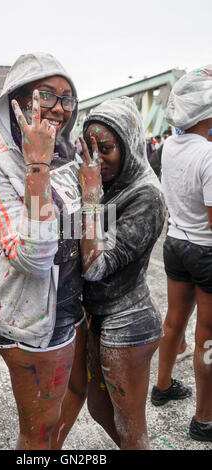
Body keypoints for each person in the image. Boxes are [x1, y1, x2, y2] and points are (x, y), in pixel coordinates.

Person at [0, 52, 89, 450]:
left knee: (68, 403)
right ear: (17, 103)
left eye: (66, 97)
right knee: (38, 432)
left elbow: (81, 234)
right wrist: (35, 167)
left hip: (73, 304)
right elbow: (35, 259)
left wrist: (92, 193)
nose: (59, 108)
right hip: (32, 319)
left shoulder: (66, 159)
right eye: (47, 95)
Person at [78, 96, 165, 450]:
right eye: (90, 147)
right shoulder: (106, 183)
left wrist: (88, 199)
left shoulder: (146, 194)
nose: (97, 158)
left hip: (129, 322)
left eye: (108, 147)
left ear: (129, 143)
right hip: (97, 316)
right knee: (100, 411)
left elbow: (95, 265)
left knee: (130, 427)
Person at [151, 66, 212, 442]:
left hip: (175, 243)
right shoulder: (208, 153)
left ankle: (162, 386)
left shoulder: (169, 146)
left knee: (174, 322)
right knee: (208, 335)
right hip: (205, 250)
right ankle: (204, 419)